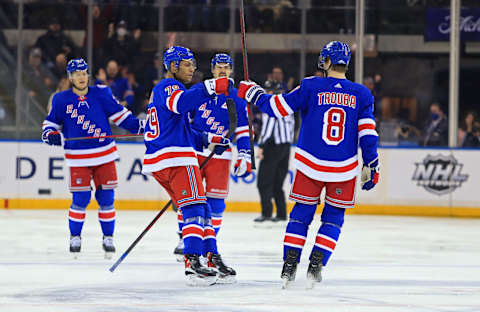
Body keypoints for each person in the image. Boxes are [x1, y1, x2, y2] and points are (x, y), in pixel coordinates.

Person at [237, 41, 379, 288]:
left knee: (301, 216)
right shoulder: (363, 94)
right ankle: (316, 265)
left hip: (310, 164)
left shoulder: (310, 86)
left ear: (325, 61)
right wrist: (372, 164)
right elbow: (368, 134)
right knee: (333, 219)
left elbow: (277, 108)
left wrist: (254, 93)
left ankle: (289, 265)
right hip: (343, 169)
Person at [141, 46, 235, 286]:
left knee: (200, 209)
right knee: (195, 209)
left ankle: (210, 257)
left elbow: (183, 129)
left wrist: (210, 139)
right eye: (187, 64)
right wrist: (212, 86)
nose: (193, 68)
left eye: (193, 64)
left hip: (162, 160)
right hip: (177, 160)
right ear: (173, 66)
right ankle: (193, 263)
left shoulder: (162, 90)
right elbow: (181, 104)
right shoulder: (169, 87)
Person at [41, 59, 145, 258]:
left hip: (104, 155)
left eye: (84, 73)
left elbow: (123, 117)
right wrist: (50, 134)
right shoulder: (61, 99)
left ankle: (108, 238)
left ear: (88, 75)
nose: (81, 77)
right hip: (78, 158)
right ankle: (75, 237)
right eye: (77, 73)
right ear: (70, 77)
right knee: (80, 199)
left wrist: (143, 127)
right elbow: (50, 124)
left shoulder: (102, 93)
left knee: (106, 199)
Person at [173, 53, 251, 277]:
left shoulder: (236, 97)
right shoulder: (200, 91)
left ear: (232, 70)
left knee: (215, 205)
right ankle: (185, 238)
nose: (223, 71)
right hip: (195, 153)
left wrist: (244, 154)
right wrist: (203, 138)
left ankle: (210, 251)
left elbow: (243, 130)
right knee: (190, 200)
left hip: (221, 156)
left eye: (227, 67)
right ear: (213, 70)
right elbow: (184, 121)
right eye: (219, 67)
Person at [254, 66, 295, 223]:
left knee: (263, 182)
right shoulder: (288, 104)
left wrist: (261, 146)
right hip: (285, 147)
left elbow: (269, 128)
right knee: (278, 183)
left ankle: (266, 213)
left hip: (273, 146)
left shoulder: (272, 104)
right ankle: (282, 213)